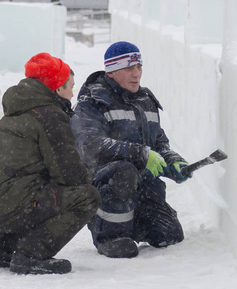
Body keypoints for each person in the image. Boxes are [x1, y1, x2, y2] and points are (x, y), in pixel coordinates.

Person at [0, 52, 101, 274]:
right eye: (70, 87)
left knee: (35, 185)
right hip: (8, 202)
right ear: (57, 88)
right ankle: (31, 254)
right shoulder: (49, 115)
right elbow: (68, 173)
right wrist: (89, 177)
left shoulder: (16, 111)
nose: (72, 94)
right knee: (86, 196)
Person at [70, 41, 192, 258]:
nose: (137, 74)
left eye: (139, 67)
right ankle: (109, 235)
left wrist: (172, 161)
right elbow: (90, 145)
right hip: (102, 184)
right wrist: (140, 154)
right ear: (112, 71)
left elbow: (159, 141)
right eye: (129, 68)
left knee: (169, 235)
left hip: (142, 185)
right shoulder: (92, 102)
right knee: (124, 170)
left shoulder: (145, 99)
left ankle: (130, 224)